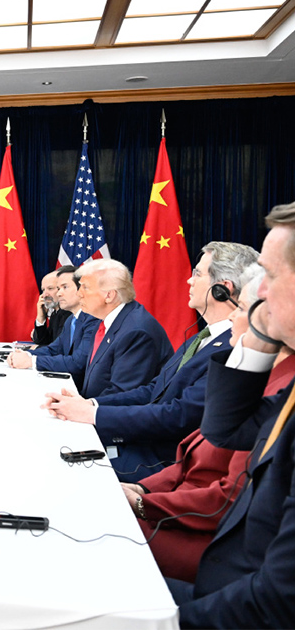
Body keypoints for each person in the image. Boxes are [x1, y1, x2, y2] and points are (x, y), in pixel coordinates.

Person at [122, 265, 295, 584]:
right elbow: (190, 455)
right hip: (175, 506)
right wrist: (143, 487)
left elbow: (229, 496)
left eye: (241, 308)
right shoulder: (257, 374)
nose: (231, 317)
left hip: (201, 536)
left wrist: (142, 503)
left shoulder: (280, 388)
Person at [169, 202, 295, 628]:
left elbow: (278, 599)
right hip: (227, 583)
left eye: (271, 276)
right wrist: (257, 339)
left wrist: (157, 623)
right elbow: (227, 428)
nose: (256, 293)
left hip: (236, 600)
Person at [44, 243, 259, 481]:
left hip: (162, 461)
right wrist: (91, 404)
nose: (189, 280)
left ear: (222, 288)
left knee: (58, 468)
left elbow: (179, 416)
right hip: (143, 443)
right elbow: (151, 391)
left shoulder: (233, 348)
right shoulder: (200, 338)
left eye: (197, 273)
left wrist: (93, 415)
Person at [67, 259, 173, 399]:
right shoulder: (107, 321)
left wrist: (85, 406)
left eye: (85, 287)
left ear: (109, 295)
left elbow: (125, 393)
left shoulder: (136, 331)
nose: (79, 293)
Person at [8, 265, 99, 389]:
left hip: (83, 393)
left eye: (65, 287)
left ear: (82, 289)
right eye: (58, 288)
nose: (59, 293)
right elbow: (54, 349)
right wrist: (24, 354)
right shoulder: (71, 320)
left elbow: (78, 363)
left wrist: (32, 361)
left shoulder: (93, 319)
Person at [31, 270, 72, 346]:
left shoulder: (68, 313)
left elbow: (57, 348)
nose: (45, 295)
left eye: (50, 288)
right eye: (43, 290)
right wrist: (41, 317)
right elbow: (42, 341)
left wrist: (36, 349)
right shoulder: (55, 313)